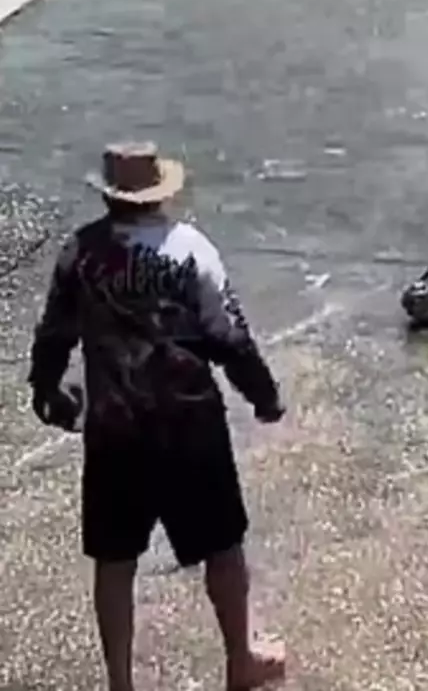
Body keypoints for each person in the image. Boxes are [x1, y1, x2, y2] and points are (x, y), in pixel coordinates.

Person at [25, 141, 288, 691]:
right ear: (160, 193)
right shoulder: (189, 248)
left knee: (115, 559)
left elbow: (54, 332)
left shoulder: (81, 252)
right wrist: (263, 395)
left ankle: (121, 683)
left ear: (109, 195)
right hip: (189, 424)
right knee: (222, 544)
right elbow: (227, 335)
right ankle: (241, 659)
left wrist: (46, 389)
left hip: (115, 429)